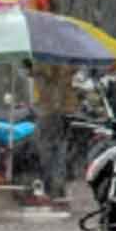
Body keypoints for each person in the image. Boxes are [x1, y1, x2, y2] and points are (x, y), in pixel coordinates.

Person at [28, 59, 79, 200]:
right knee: (58, 149)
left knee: (47, 150)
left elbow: (47, 83)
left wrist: (34, 69)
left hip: (49, 111)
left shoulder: (47, 60)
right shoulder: (64, 59)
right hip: (62, 110)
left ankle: (52, 186)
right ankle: (57, 186)